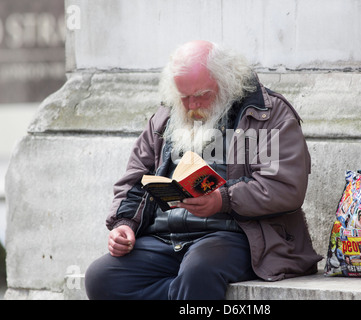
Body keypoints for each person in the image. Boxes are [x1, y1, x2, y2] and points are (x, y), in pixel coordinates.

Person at [85, 40, 322, 300]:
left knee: (199, 270)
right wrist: (124, 224)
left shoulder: (268, 114)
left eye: (202, 95)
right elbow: (135, 177)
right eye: (184, 97)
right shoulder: (166, 115)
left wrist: (223, 200)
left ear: (227, 82)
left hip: (239, 236)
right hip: (165, 237)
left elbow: (284, 187)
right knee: (103, 277)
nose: (192, 106)